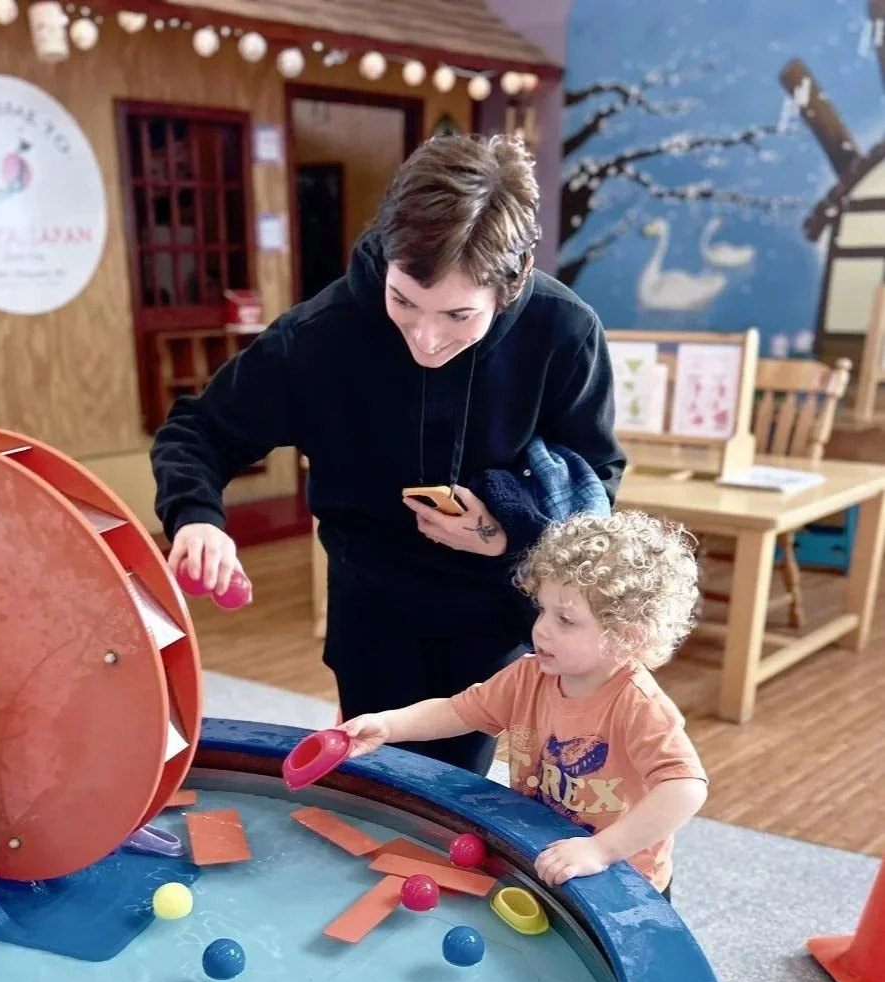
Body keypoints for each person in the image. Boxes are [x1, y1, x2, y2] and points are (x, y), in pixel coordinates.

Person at [150, 133, 625, 777]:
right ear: (388, 256)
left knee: (464, 792)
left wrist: (503, 530)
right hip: (373, 607)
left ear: (508, 288)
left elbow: (596, 476)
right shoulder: (321, 334)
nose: (427, 339)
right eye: (404, 301)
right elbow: (197, 430)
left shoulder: (563, 331)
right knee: (378, 783)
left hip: (500, 610)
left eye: (459, 315)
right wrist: (197, 516)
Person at [339, 512, 707, 899]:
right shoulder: (529, 676)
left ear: (625, 636)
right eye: (542, 610)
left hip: (623, 874)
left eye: (565, 619)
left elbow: (685, 789)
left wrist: (602, 850)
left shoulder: (637, 704)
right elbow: (457, 711)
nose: (542, 629)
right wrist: (388, 725)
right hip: (545, 847)